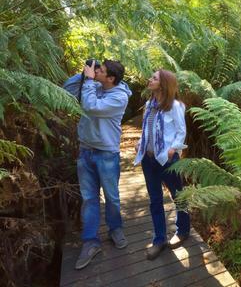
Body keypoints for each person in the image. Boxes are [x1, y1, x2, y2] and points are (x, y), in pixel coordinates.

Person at [63, 60, 132, 270]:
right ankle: (90, 242)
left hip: (106, 154)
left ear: (110, 78)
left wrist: (90, 82)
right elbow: (67, 90)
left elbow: (91, 107)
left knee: (111, 196)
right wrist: (84, 73)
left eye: (100, 70)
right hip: (86, 151)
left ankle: (115, 229)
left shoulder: (119, 97)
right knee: (89, 199)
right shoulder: (94, 84)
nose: (97, 72)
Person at [133, 69, 190, 260]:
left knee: (178, 196)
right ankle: (159, 240)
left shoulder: (174, 106)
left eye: (154, 78)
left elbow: (181, 132)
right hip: (148, 160)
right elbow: (147, 129)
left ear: (164, 83)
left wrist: (172, 149)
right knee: (155, 200)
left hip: (167, 160)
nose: (150, 79)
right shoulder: (149, 104)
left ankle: (183, 230)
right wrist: (140, 143)